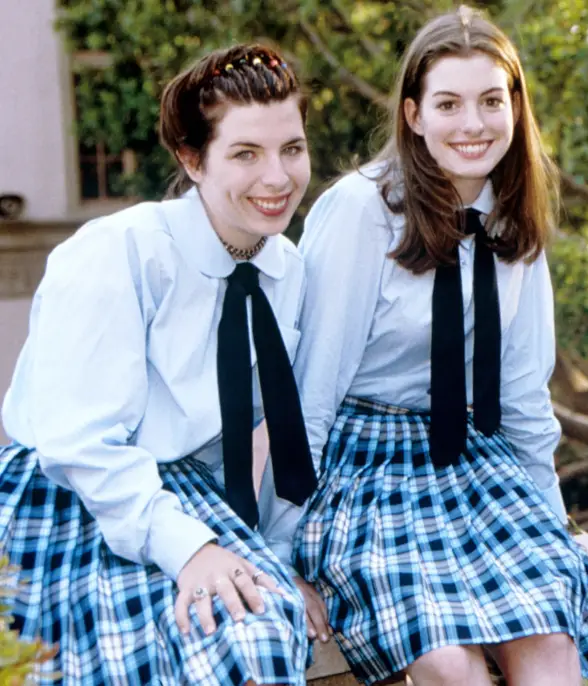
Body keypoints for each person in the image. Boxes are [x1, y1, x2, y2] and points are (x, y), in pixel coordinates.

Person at [291, 7, 588, 686]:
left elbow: (523, 392)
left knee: (550, 645)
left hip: (476, 460)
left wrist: (547, 523)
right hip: (367, 468)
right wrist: (282, 551)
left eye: (489, 101)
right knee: (450, 663)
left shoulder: (514, 218)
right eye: (448, 103)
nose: (472, 125)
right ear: (414, 115)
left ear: (515, 107)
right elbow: (309, 395)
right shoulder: (362, 211)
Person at [0, 43, 325, 684]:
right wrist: (190, 549)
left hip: (192, 499)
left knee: (258, 634)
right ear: (190, 158)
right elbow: (79, 444)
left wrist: (275, 556)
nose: (278, 177)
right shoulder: (118, 252)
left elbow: (282, 440)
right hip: (73, 501)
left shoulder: (286, 272)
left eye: (291, 148)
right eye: (245, 154)